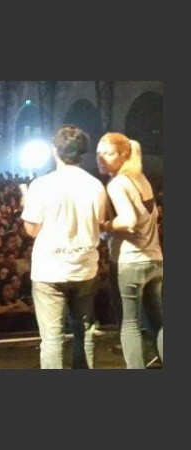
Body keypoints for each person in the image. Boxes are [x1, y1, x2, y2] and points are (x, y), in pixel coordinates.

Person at [20, 125, 107, 369]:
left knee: (52, 340)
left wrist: (27, 204)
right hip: (84, 268)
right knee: (84, 333)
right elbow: (100, 223)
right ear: (83, 153)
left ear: (54, 150)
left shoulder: (41, 185)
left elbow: (31, 230)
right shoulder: (95, 186)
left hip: (49, 270)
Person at [96, 132, 163, 368]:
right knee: (158, 322)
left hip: (130, 261)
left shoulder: (118, 183)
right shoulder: (141, 179)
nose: (100, 158)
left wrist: (103, 225)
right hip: (154, 260)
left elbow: (128, 220)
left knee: (130, 323)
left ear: (124, 154)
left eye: (108, 153)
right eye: (99, 153)